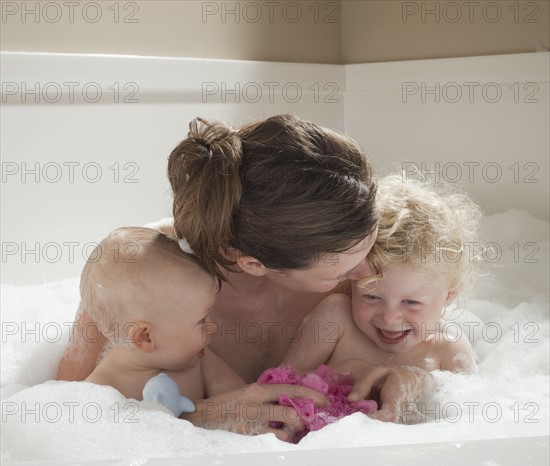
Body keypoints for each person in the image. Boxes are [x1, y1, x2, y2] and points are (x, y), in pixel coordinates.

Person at [57, 114, 424, 435]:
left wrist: (413, 378)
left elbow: (444, 357)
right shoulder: (141, 275)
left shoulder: (349, 242)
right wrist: (197, 418)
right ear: (252, 263)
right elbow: (65, 414)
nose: (369, 275)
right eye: (343, 270)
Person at [80, 227, 327, 440]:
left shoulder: (198, 358)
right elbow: (108, 449)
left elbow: (240, 396)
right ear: (145, 337)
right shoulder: (101, 390)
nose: (213, 327)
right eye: (201, 320)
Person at [282, 175, 482, 421]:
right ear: (351, 279)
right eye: (371, 296)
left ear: (448, 296)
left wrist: (424, 383)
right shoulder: (336, 318)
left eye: (411, 302)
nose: (389, 317)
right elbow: (279, 384)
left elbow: (472, 421)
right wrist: (345, 372)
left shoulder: (448, 349)